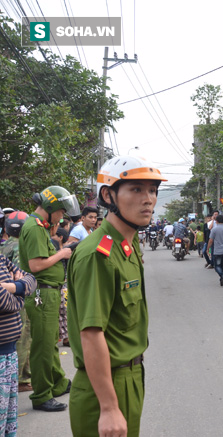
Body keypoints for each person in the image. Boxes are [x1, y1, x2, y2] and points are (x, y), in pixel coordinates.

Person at [67, 155, 167, 436]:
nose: (148, 199)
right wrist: (109, 407)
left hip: (131, 378)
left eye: (152, 191)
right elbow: (91, 333)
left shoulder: (128, 245)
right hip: (107, 385)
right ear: (108, 195)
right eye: (136, 189)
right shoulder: (98, 255)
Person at [19, 185, 80, 412]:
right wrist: (62, 254)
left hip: (49, 292)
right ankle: (42, 395)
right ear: (51, 207)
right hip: (41, 293)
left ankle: (58, 382)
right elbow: (36, 265)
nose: (62, 216)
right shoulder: (35, 228)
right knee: (43, 347)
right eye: (61, 211)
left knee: (51, 342)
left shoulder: (41, 227)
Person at [0, 252, 37, 435]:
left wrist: (12, 287)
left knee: (9, 419)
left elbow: (31, 280)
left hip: (9, 353)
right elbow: (4, 302)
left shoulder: (1, 257)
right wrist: (21, 292)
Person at [0, 211, 33, 393]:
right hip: (16, 302)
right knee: (23, 336)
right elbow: (24, 280)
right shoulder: (21, 246)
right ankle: (21, 379)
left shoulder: (4, 246)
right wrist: (17, 288)